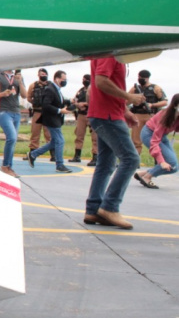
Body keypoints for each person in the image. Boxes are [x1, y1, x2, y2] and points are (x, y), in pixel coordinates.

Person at [83, 57, 145, 230]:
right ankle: (110, 207)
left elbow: (96, 88)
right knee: (131, 159)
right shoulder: (111, 54)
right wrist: (129, 97)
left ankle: (93, 209)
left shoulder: (112, 54)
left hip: (106, 114)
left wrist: (124, 110)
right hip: (107, 116)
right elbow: (101, 81)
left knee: (105, 164)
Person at [27, 70, 73, 173]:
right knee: (60, 141)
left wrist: (69, 102)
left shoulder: (57, 89)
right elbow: (46, 105)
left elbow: (57, 101)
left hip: (55, 119)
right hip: (51, 119)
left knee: (53, 142)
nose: (65, 81)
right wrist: (60, 110)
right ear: (57, 79)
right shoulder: (50, 89)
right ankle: (59, 165)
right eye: (63, 79)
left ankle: (33, 154)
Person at [134, 93, 179, 189]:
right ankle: (147, 177)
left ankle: (142, 174)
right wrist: (161, 161)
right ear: (176, 105)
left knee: (174, 166)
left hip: (163, 136)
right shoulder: (165, 116)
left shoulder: (177, 116)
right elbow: (155, 141)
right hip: (149, 134)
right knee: (172, 163)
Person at [0, 69, 26, 178]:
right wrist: (2, 94)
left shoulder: (17, 77)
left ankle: (9, 166)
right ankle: (5, 166)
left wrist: (20, 82)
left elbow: (25, 95)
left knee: (13, 141)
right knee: (12, 137)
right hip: (3, 111)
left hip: (16, 111)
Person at [129, 69, 167, 155]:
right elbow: (127, 99)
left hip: (151, 115)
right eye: (139, 77)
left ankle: (158, 159)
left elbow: (164, 102)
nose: (140, 79)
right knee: (135, 139)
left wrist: (152, 105)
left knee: (154, 138)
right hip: (137, 115)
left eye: (142, 78)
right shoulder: (135, 88)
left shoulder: (155, 88)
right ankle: (136, 159)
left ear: (147, 78)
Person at [69, 74, 98, 165]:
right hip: (81, 115)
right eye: (83, 79)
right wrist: (77, 104)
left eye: (86, 79)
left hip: (91, 114)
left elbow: (96, 101)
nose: (84, 81)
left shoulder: (94, 89)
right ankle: (77, 156)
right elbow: (75, 100)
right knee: (79, 135)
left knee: (95, 137)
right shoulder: (81, 91)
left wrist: (85, 104)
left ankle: (95, 157)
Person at [24, 68, 52, 161]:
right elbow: (28, 97)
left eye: (45, 74)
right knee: (35, 133)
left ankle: (54, 155)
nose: (43, 75)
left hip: (47, 113)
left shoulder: (50, 85)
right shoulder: (33, 85)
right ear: (38, 75)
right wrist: (35, 102)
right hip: (37, 111)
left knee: (49, 134)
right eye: (41, 74)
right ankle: (32, 153)